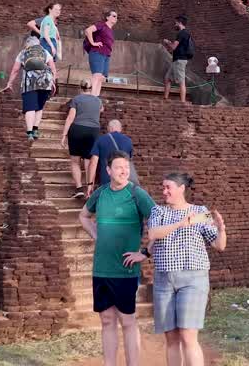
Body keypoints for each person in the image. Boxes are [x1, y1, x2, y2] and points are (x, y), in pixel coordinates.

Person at [79, 152, 155, 366]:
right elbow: (83, 216)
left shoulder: (136, 194)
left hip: (125, 269)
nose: (124, 171)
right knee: (106, 320)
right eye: (119, 167)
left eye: (126, 167)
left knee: (128, 321)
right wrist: (96, 234)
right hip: (101, 268)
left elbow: (158, 221)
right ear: (109, 170)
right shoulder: (100, 193)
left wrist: (145, 251)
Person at [146, 173, 227, 366]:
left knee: (188, 334)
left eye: (168, 187)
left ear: (181, 189)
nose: (164, 191)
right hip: (164, 280)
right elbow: (154, 233)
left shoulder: (200, 211)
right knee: (171, 338)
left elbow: (219, 245)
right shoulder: (158, 211)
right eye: (163, 187)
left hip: (193, 279)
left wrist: (222, 230)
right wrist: (181, 222)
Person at [2, 37, 56, 140]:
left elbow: (15, 70)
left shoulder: (23, 53)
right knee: (39, 107)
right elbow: (52, 67)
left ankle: (30, 132)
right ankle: (36, 129)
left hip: (29, 83)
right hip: (45, 83)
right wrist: (53, 82)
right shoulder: (45, 52)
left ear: (27, 44)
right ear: (38, 44)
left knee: (30, 107)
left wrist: (10, 83)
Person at [61, 91, 104, 198]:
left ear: (80, 88)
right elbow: (101, 110)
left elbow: (71, 117)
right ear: (91, 89)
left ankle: (79, 188)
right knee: (89, 161)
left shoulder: (76, 99)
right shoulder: (98, 100)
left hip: (77, 129)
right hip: (93, 131)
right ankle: (89, 188)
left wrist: (64, 134)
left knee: (75, 161)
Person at [89, 119, 137, 191]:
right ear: (120, 129)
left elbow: (93, 163)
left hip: (107, 180)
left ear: (109, 128)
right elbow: (128, 161)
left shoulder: (100, 140)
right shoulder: (128, 141)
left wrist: (90, 183)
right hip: (123, 181)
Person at [83, 10, 118, 96]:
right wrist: (92, 43)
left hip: (106, 55)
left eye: (117, 17)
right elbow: (88, 30)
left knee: (102, 77)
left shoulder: (111, 31)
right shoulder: (102, 25)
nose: (116, 18)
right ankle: (92, 97)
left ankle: (96, 97)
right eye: (113, 16)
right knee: (97, 75)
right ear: (107, 17)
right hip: (97, 53)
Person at [161, 15, 194, 103]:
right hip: (176, 60)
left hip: (180, 60)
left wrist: (168, 42)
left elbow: (173, 47)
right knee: (167, 78)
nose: (174, 24)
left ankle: (183, 102)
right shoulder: (186, 33)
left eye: (175, 23)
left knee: (181, 81)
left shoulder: (181, 33)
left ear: (179, 23)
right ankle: (165, 98)